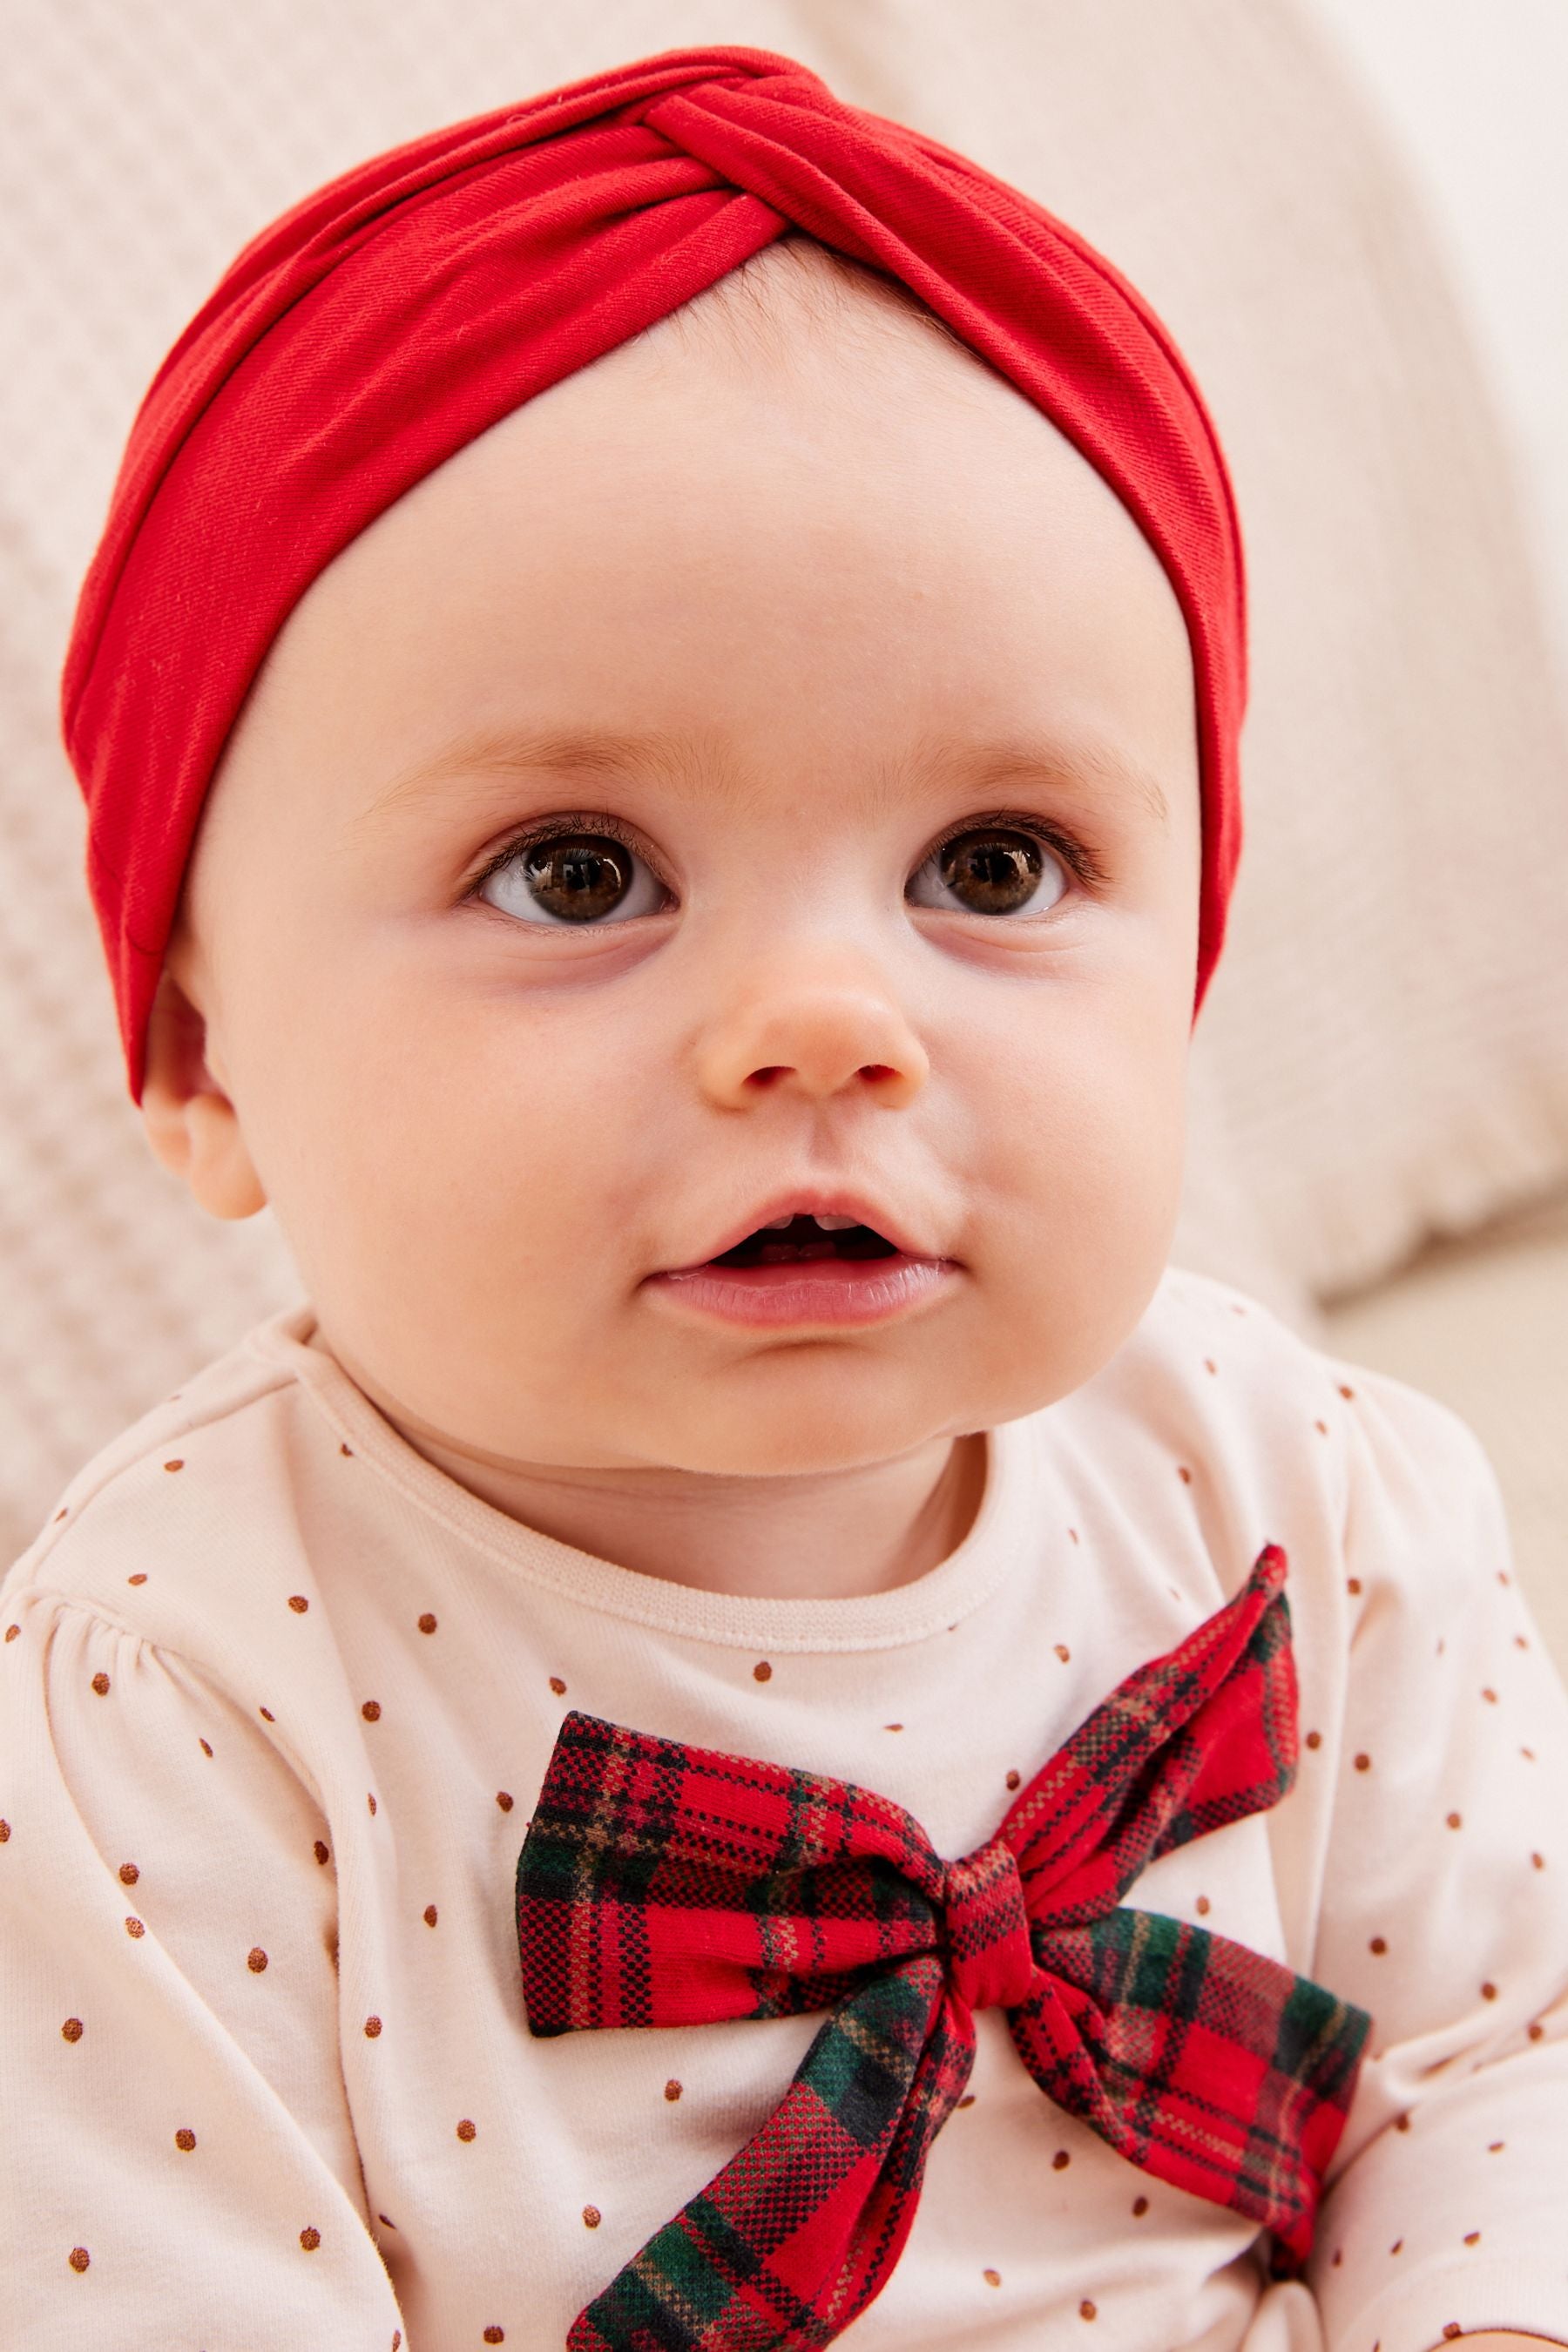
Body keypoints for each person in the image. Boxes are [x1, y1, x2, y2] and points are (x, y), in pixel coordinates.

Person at [2, 46, 1563, 2352]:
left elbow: (1499, 2056)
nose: (825, 1022)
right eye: (578, 872)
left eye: (994, 868)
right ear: (202, 1053)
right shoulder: (173, 1690)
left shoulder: (1309, 1500)